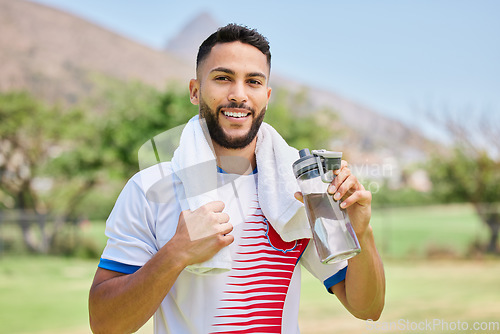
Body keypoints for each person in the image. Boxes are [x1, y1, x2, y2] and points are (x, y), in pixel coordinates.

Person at [89, 24, 385, 334]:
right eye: (222, 78)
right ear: (194, 90)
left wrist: (361, 233)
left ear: (266, 96)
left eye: (253, 82)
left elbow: (368, 309)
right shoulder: (148, 190)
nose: (238, 95)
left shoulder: (299, 190)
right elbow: (104, 324)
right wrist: (175, 254)